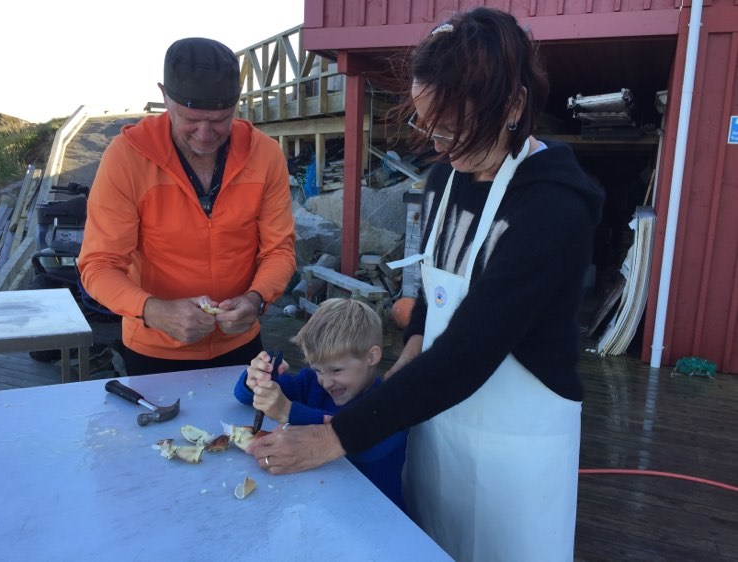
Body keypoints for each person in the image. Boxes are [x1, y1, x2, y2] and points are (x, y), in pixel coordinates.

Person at [247, 8, 605, 562]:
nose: (444, 147)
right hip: (439, 422)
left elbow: (470, 348)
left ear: (513, 107)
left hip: (517, 445)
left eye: (459, 129)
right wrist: (412, 344)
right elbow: (433, 294)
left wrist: (334, 436)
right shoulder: (444, 180)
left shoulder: (551, 208)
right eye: (432, 127)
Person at [78, 37, 296, 376]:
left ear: (237, 104)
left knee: (247, 432)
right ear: (165, 97)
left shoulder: (265, 155)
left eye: (221, 119)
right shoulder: (126, 158)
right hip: (153, 348)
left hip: (241, 343)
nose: (206, 135)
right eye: (191, 119)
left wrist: (257, 299)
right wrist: (152, 310)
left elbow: (279, 251)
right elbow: (99, 265)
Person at [234, 298, 408, 510]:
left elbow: (359, 442)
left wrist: (289, 412)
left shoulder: (391, 405)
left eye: (336, 370)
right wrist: (256, 380)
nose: (325, 382)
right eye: (318, 370)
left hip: (376, 517)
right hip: (321, 507)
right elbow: (243, 398)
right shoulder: (310, 383)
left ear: (372, 356)